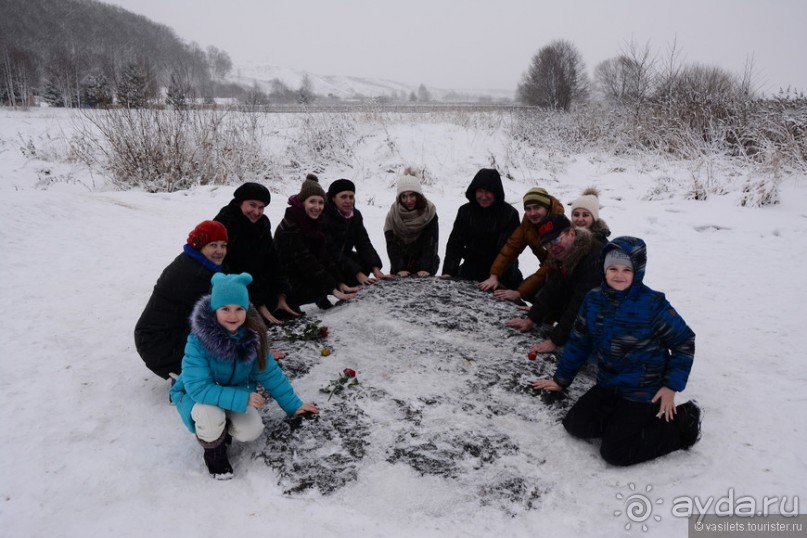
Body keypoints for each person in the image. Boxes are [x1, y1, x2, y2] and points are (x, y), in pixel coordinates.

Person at [532, 236, 701, 466]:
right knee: (575, 424)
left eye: (626, 269)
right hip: (610, 384)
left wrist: (670, 386)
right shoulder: (593, 300)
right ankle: (621, 422)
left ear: (638, 271)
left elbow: (684, 343)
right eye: (612, 268)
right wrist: (561, 380)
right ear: (603, 269)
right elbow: (579, 341)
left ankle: (683, 423)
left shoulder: (653, 305)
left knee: (615, 453)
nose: (618, 275)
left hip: (644, 390)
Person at [170, 272, 319, 479]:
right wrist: (243, 399)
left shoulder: (252, 336)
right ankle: (215, 454)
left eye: (239, 309)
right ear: (215, 310)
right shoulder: (198, 340)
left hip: (235, 392)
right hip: (200, 398)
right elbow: (198, 387)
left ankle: (224, 428)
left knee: (251, 429)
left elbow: (269, 372)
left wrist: (293, 405)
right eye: (225, 309)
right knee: (210, 416)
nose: (233, 316)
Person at [134, 220, 228, 379]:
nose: (219, 251)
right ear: (200, 246)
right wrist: (251, 351)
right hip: (159, 344)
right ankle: (187, 379)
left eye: (223, 245)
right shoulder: (194, 274)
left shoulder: (196, 262)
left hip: (158, 338)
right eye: (213, 245)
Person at [505, 214, 604, 354]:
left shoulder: (594, 260)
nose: (553, 247)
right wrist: (531, 319)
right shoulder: (567, 254)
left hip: (609, 331)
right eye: (547, 244)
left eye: (557, 239)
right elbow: (553, 288)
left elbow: (581, 304)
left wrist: (555, 340)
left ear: (571, 233)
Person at [214, 182, 299, 325]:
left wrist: (281, 293)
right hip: (233, 285)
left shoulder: (263, 223)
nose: (256, 212)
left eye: (261, 207)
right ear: (240, 203)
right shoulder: (225, 224)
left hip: (258, 281)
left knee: (289, 308)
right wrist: (258, 303)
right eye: (252, 205)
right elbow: (232, 268)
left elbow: (272, 258)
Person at [274, 174, 359, 309]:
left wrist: (340, 282)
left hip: (299, 272)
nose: (317, 207)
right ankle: (290, 305)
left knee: (340, 267)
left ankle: (322, 298)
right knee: (317, 287)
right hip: (284, 279)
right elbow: (306, 261)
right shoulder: (290, 227)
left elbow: (324, 255)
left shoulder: (313, 222)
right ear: (302, 202)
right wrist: (332, 288)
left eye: (320, 202)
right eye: (312, 201)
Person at [479, 187, 565, 302]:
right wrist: (494, 275)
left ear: (547, 207)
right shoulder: (527, 226)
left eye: (537, 208)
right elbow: (510, 248)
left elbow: (551, 265)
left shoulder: (560, 225)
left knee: (539, 297)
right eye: (528, 209)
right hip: (549, 271)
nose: (532, 213)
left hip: (565, 275)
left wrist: (519, 292)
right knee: (529, 291)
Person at [441, 168, 521, 287]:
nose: (483, 197)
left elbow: (509, 251)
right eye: (480, 191)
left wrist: (496, 276)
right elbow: (455, 244)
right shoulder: (465, 211)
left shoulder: (510, 214)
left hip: (503, 271)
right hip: (472, 267)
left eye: (488, 191)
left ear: (496, 192)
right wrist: (448, 272)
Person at [321, 178, 388, 286]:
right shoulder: (324, 216)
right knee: (351, 268)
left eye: (351, 197)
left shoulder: (355, 215)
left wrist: (375, 269)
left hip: (343, 256)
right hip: (325, 259)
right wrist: (357, 273)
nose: (348, 201)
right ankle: (325, 295)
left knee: (365, 264)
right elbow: (331, 251)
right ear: (333, 198)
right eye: (343, 197)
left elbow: (363, 243)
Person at [383, 169, 440, 277]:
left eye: (412, 195)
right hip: (401, 262)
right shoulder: (392, 216)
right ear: (399, 198)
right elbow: (392, 245)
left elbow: (431, 243)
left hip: (423, 262)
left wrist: (426, 268)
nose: (408, 200)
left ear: (418, 195)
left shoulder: (429, 212)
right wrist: (399, 268)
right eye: (404, 196)